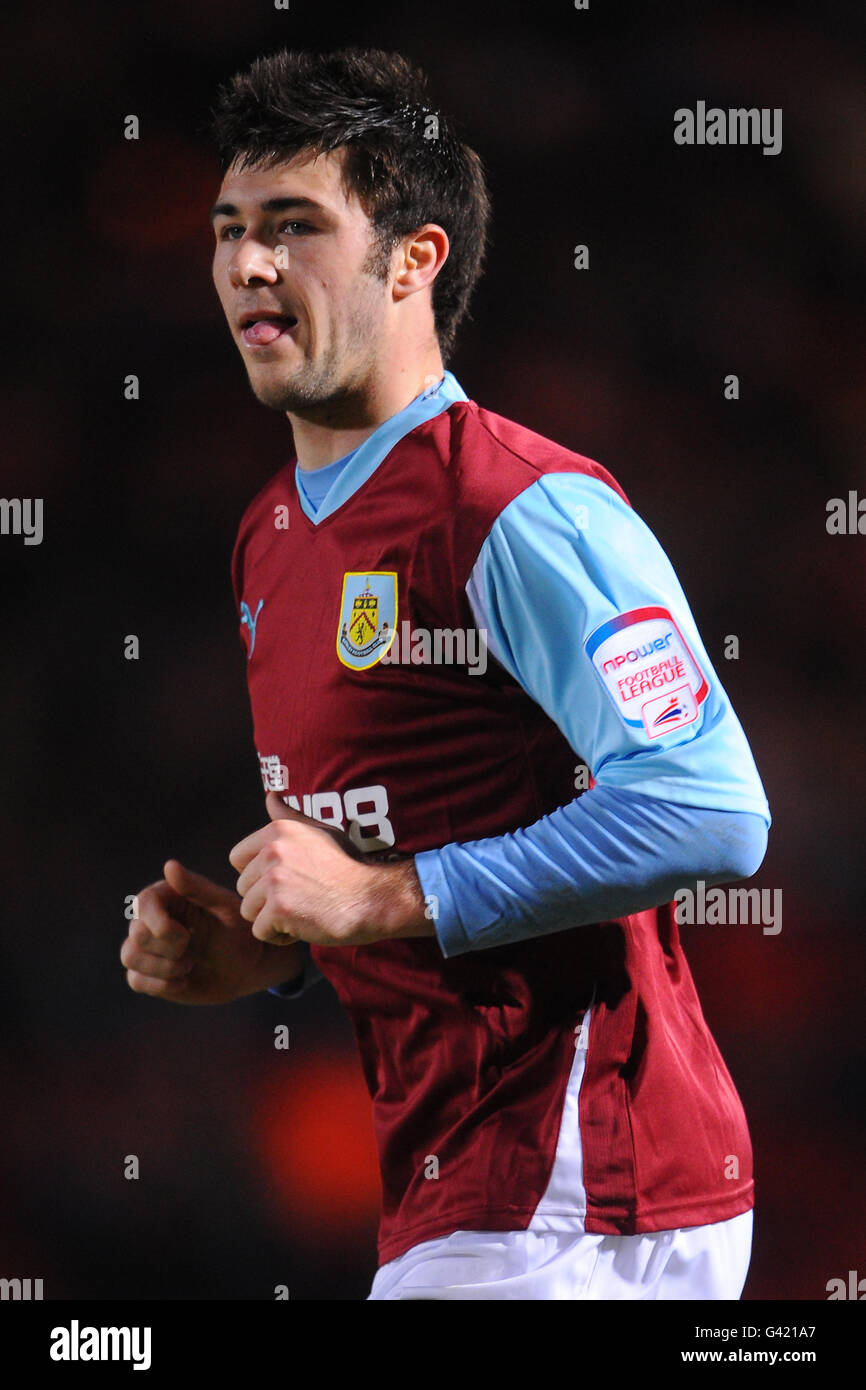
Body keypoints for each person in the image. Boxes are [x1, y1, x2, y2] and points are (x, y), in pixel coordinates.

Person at [121, 47, 771, 1301]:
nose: (249, 266)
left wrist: (378, 900)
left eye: (295, 227)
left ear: (413, 260)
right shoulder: (268, 532)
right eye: (229, 231)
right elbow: (422, 826)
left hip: (582, 1187)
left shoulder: (516, 508)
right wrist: (286, 954)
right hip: (466, 1189)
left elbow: (711, 805)